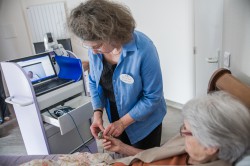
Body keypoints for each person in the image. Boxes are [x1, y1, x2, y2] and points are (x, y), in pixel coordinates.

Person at [68, 0, 167, 150]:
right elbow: (94, 82)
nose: (93, 52)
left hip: (145, 120)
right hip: (115, 112)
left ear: (111, 34)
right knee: (121, 153)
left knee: (143, 158)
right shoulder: (95, 51)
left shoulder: (144, 49)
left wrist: (123, 122)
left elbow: (152, 97)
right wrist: (97, 114)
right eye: (89, 46)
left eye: (97, 46)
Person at [100, 91, 250, 165]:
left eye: (187, 130)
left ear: (210, 147)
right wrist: (121, 148)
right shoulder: (192, 147)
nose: (182, 133)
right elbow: (156, 155)